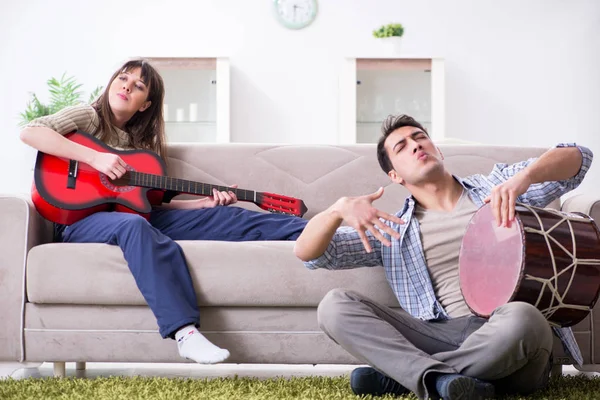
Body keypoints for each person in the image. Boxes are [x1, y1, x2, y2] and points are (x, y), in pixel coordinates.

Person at [20, 58, 307, 365]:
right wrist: (95, 159)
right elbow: (32, 132)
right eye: (123, 78)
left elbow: (143, 204)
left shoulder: (141, 148)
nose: (127, 86)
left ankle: (317, 231)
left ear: (145, 105)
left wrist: (199, 205)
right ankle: (185, 333)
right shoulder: (89, 117)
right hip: (77, 221)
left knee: (223, 216)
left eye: (139, 85)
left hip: (126, 216)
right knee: (132, 226)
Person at [294, 114, 593, 400]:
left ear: (438, 150)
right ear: (395, 175)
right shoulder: (392, 232)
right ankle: (443, 381)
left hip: (507, 333)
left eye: (420, 137)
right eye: (402, 146)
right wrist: (337, 210)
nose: (415, 145)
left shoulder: (497, 187)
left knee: (526, 317)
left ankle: (409, 378)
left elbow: (581, 158)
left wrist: (526, 177)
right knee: (334, 305)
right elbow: (310, 254)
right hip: (441, 333)